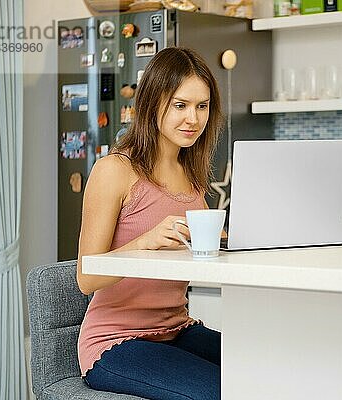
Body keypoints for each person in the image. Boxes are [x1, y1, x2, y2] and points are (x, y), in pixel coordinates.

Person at [77, 47, 222, 400]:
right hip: (115, 341)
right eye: (180, 105)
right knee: (222, 391)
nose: (193, 119)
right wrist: (144, 242)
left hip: (178, 330)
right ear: (152, 103)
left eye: (202, 106)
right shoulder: (113, 170)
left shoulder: (192, 177)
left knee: (270, 366)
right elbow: (86, 277)